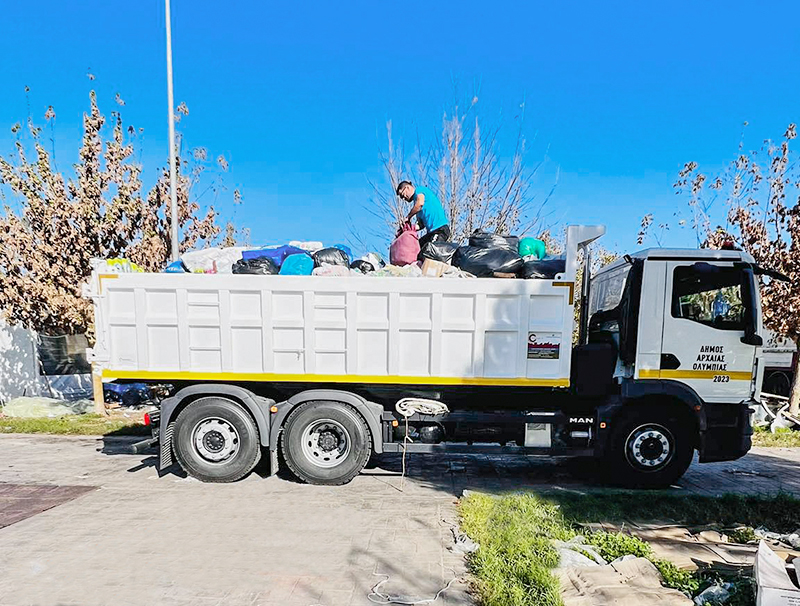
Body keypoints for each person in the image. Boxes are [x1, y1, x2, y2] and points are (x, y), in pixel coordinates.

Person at [396, 181, 451, 247]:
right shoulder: (416, 207)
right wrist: (407, 228)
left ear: (407, 188)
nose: (404, 198)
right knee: (417, 248)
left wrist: (408, 217)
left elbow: (420, 204)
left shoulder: (419, 190)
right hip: (431, 233)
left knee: (430, 252)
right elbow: (421, 225)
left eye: (402, 195)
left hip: (440, 229)